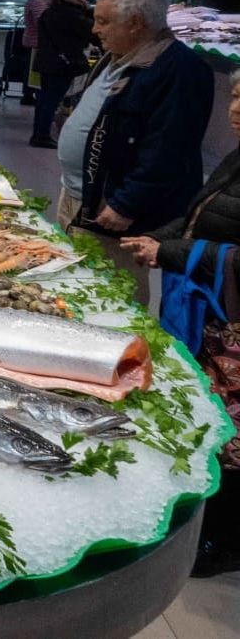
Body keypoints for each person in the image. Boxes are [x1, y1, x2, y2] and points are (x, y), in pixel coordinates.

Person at [121, 71, 240, 577]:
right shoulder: (236, 156)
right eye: (235, 93)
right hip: (214, 319)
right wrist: (158, 238)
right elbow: (201, 216)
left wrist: (170, 251)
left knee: (236, 434)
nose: (237, 105)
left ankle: (225, 540)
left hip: (234, 326)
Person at [55, 0, 214, 305]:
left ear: (136, 24)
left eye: (103, 21)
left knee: (113, 298)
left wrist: (128, 203)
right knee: (75, 288)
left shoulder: (180, 70)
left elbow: (170, 150)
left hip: (117, 212)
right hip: (81, 197)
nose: (95, 29)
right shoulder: (118, 55)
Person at [29, 0, 92, 148]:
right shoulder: (71, 15)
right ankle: (42, 135)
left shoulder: (52, 11)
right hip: (61, 64)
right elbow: (90, 31)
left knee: (44, 100)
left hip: (47, 61)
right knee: (51, 100)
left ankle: (39, 133)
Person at [19, 0, 50, 105]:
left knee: (31, 68)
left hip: (31, 39)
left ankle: (28, 93)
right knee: (33, 69)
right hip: (35, 41)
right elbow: (41, 22)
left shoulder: (33, 1)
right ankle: (28, 94)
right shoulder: (38, 3)